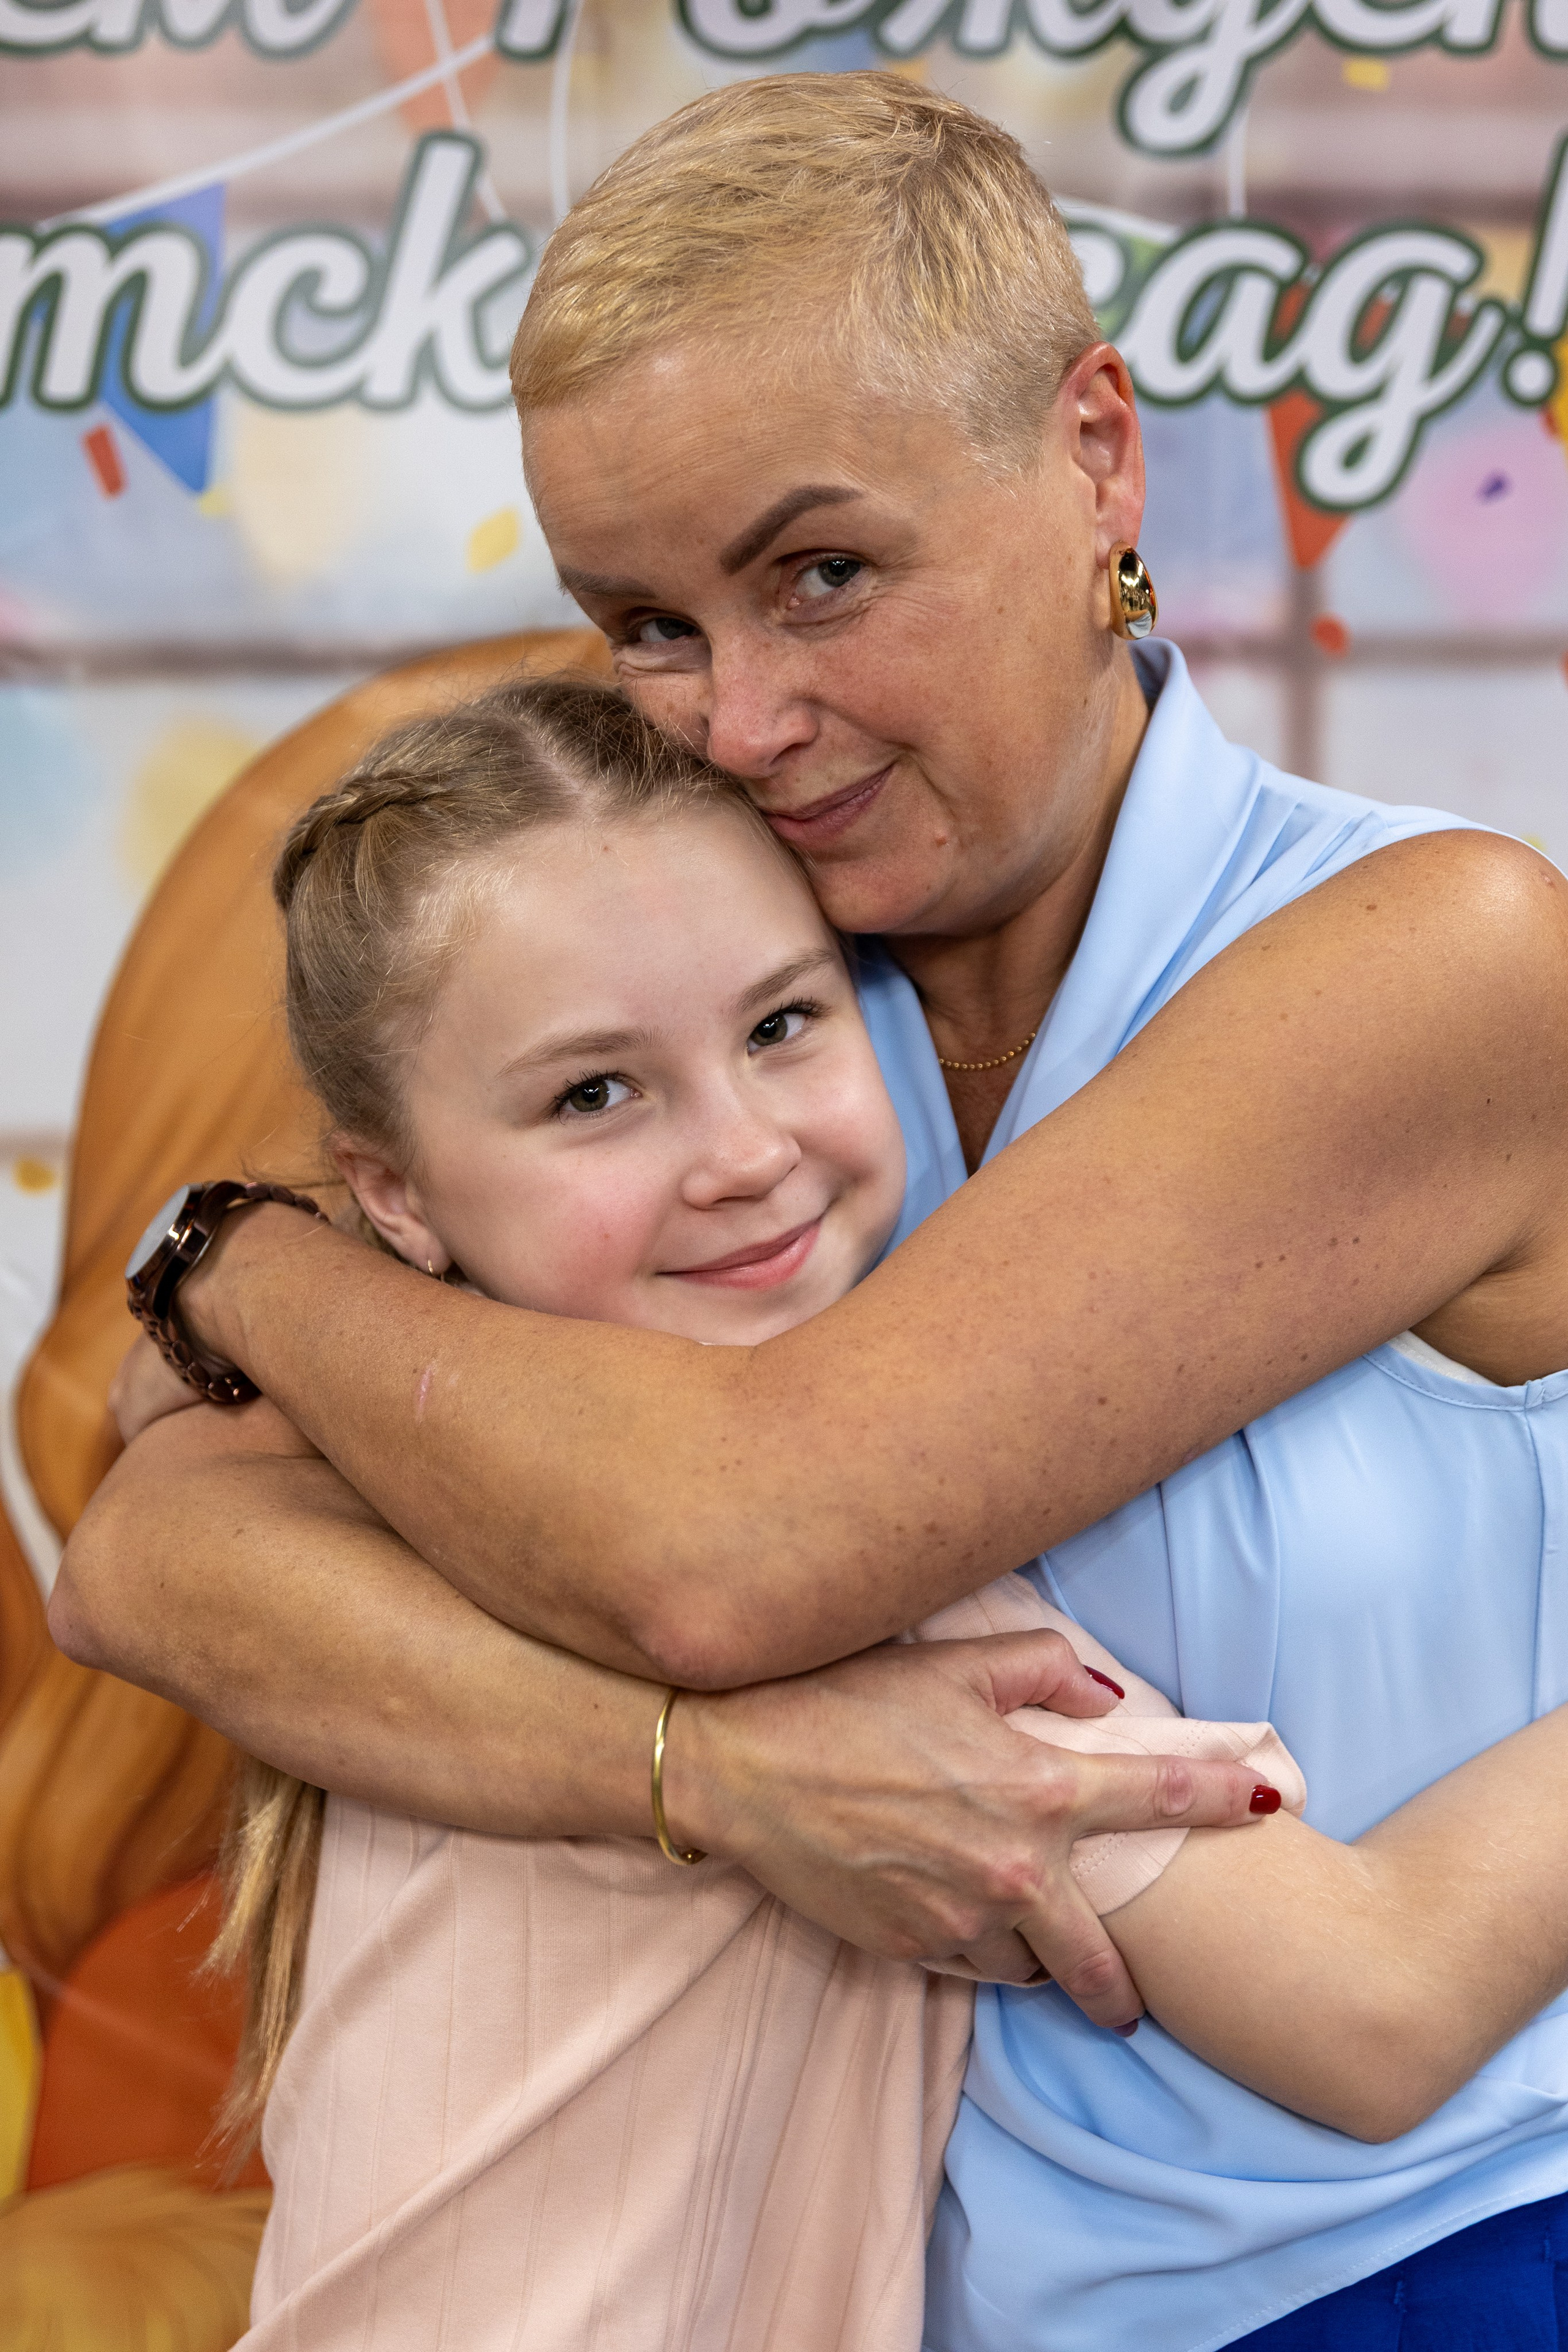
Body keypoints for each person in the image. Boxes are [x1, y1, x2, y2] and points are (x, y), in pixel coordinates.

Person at [53, 72, 1568, 2349]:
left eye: (822, 575)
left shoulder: (1433, 954)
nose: (742, 715)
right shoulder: (731, 1023)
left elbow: (737, 1545)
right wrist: (714, 1779)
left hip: (1438, 2268)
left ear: (1094, 455)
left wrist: (235, 1263)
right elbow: (156, 1548)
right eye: (644, 623)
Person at [230, 674, 1311, 2349]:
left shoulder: (389, 1501)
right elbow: (1372, 2006)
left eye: (780, 1026)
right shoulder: (823, 1588)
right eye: (594, 1094)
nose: (738, 1153)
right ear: (392, 1194)